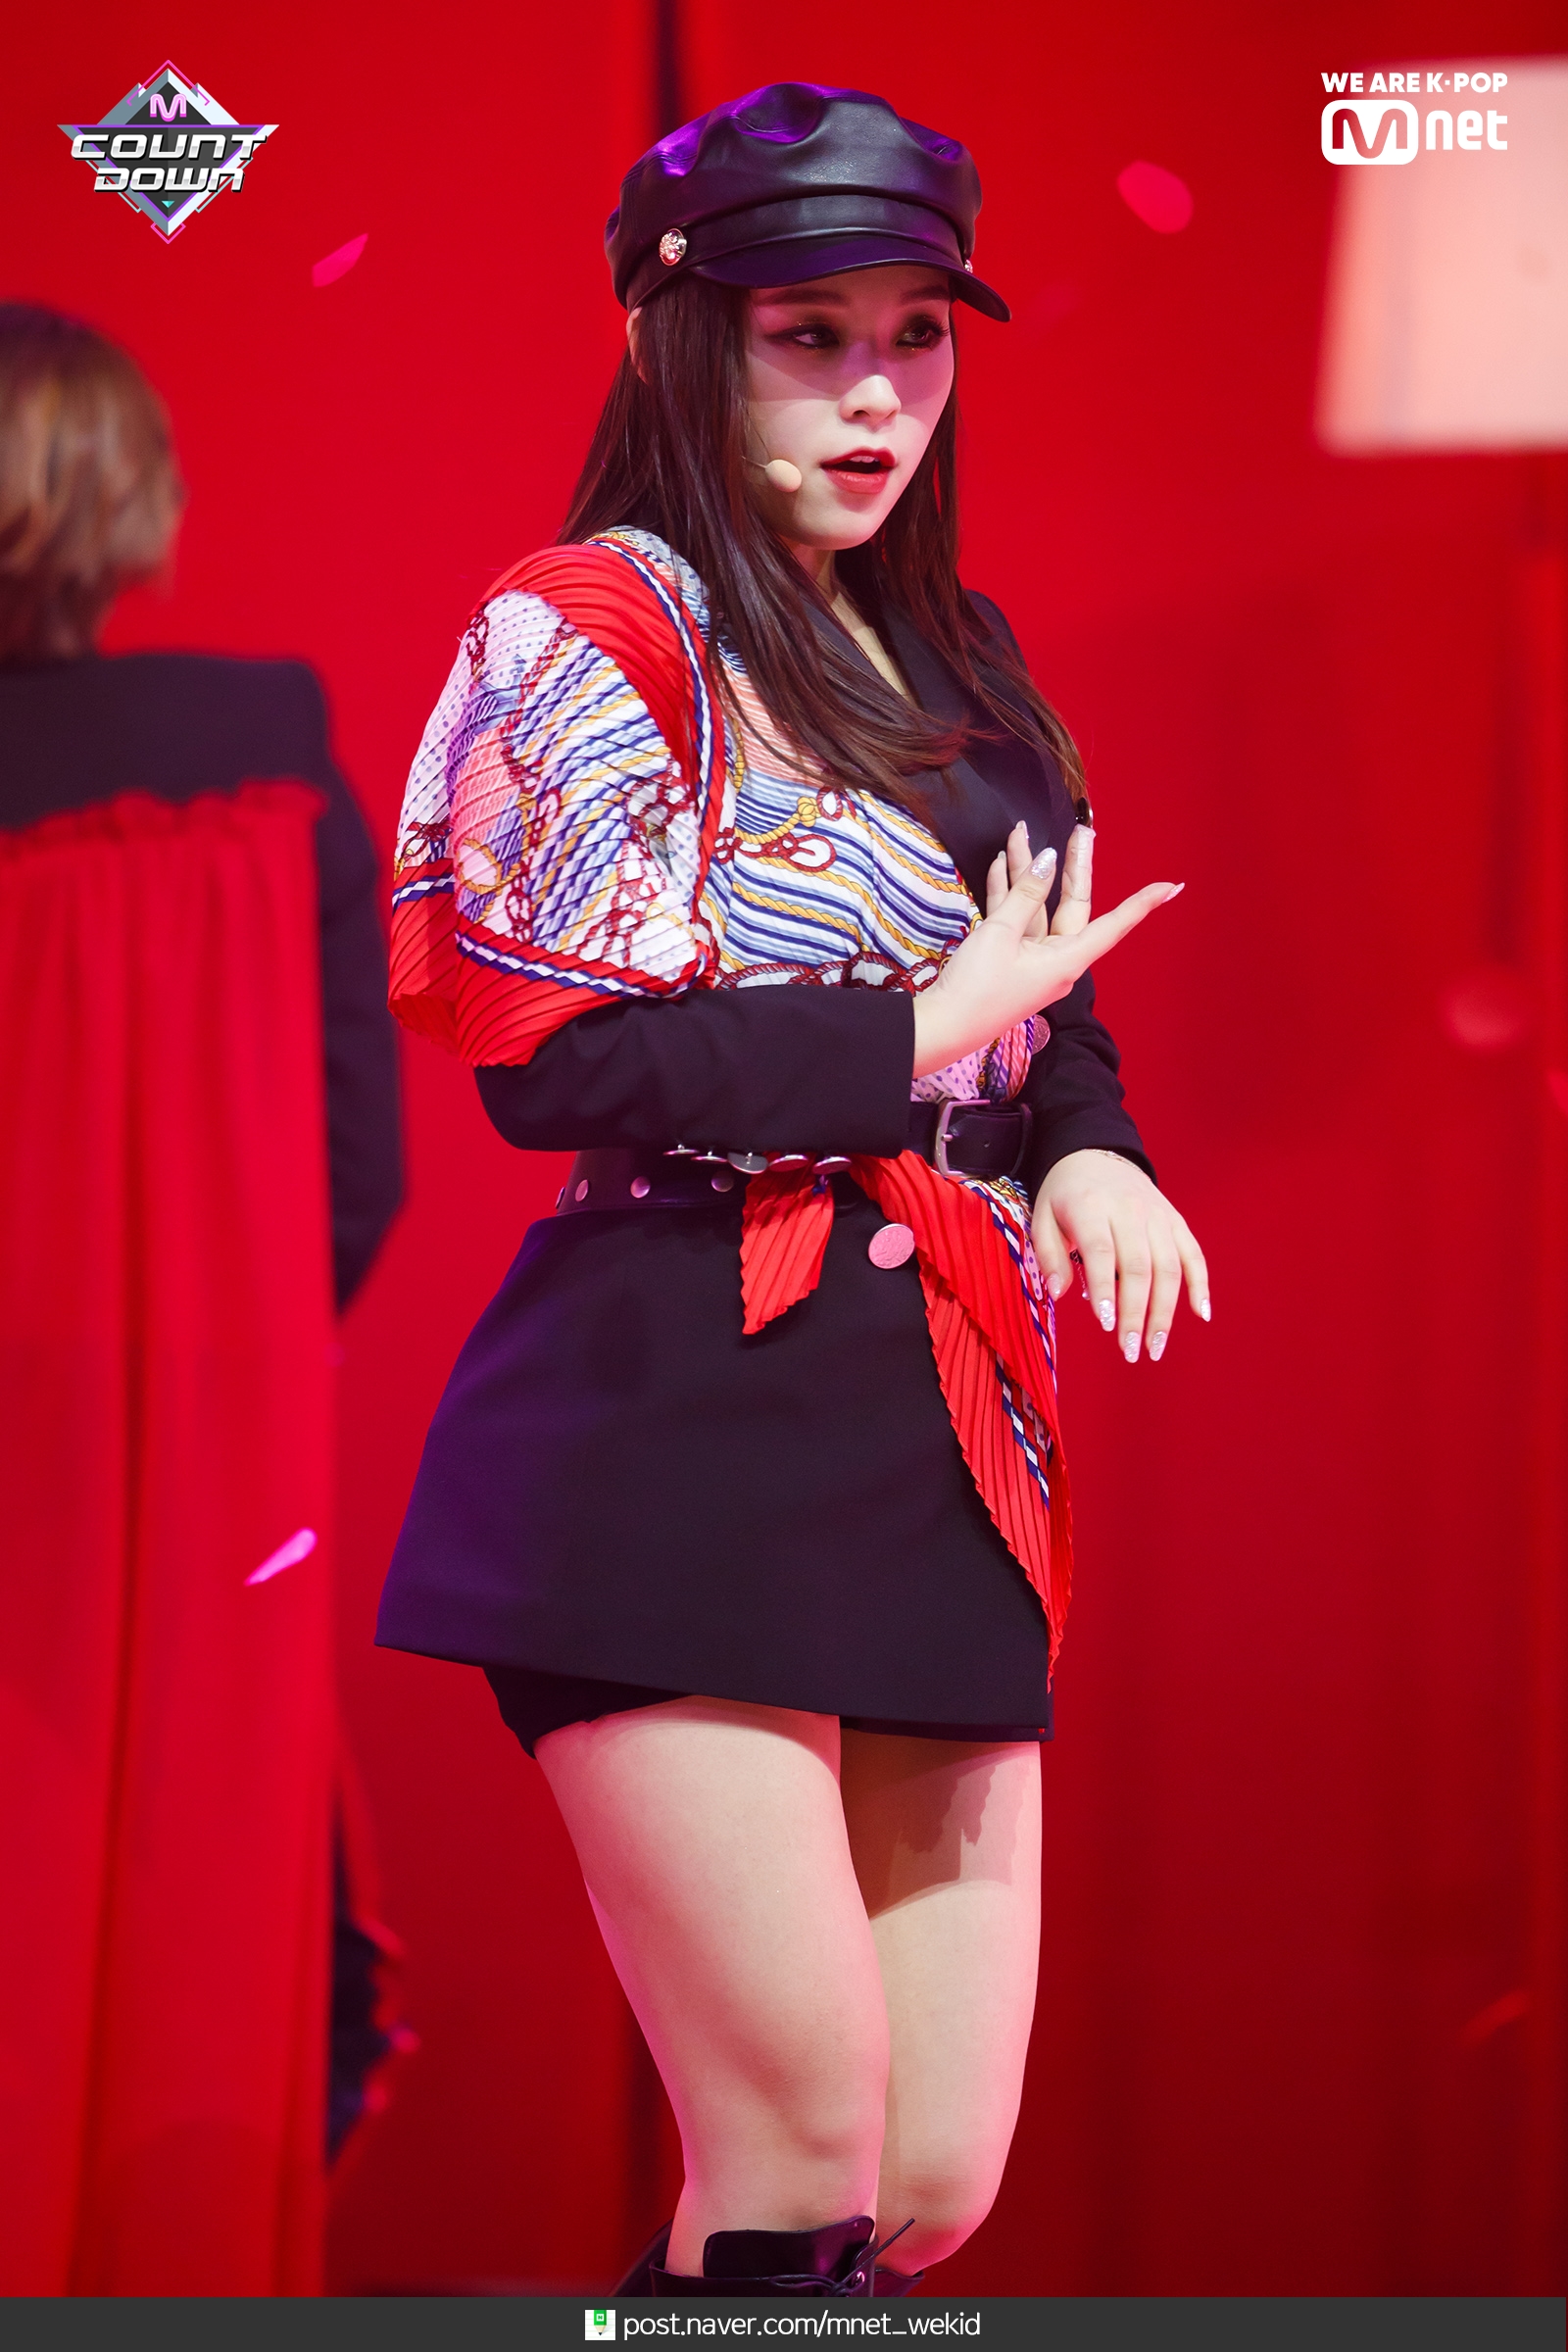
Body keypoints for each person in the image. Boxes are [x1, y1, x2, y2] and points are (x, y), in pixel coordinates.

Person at [378, 85, 1208, 2297]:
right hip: (676, 1395)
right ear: (679, 342)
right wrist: (920, 1030)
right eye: (808, 338)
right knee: (794, 2154)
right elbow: (549, 1060)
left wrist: (1091, 1148)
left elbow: (1050, 1012)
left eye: (915, 336)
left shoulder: (965, 663)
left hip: (942, 1418)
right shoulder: (592, 629)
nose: (875, 396)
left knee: (926, 2179)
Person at [0, 304, 402, 2292]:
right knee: (192, 1902)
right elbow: (356, 1171)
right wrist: (204, 1380)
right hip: (187, 1465)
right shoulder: (261, 746)